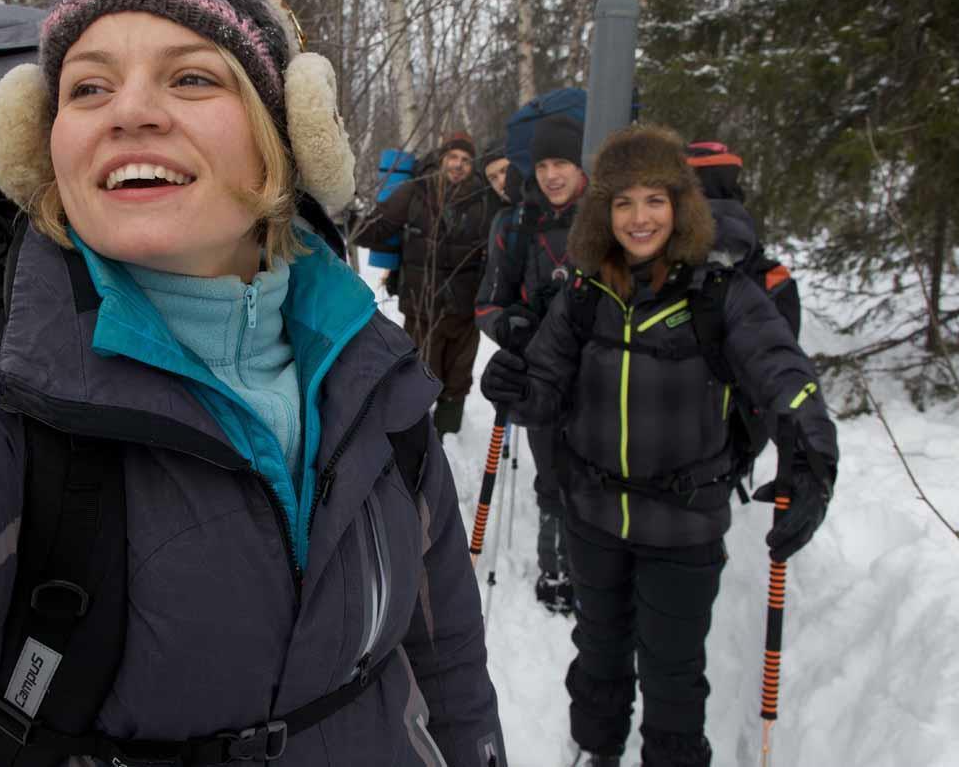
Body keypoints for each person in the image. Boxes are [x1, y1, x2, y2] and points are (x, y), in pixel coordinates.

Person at [0, 0, 507, 767]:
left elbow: (444, 649)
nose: (127, 112)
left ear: (284, 135)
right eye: (88, 88)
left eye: (191, 77)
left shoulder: (373, 375)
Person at [480, 124, 838, 767]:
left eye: (654, 200)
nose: (639, 218)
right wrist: (513, 384)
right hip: (594, 518)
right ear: (604, 212)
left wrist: (812, 454)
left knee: (673, 674)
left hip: (683, 526)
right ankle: (596, 751)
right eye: (623, 202)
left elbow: (785, 372)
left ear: (681, 206)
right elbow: (544, 388)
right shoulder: (584, 293)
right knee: (598, 655)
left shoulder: (721, 294)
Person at [474, 113, 587, 613]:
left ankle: (599, 572)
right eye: (542, 165)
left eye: (562, 162)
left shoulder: (610, 217)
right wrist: (508, 327)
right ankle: (555, 568)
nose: (552, 175)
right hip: (540, 375)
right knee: (553, 476)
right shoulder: (514, 224)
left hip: (604, 372)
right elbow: (486, 304)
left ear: (581, 164)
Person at [355, 131, 498, 438]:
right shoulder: (416, 191)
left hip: (465, 313)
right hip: (422, 310)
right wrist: (349, 220)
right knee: (416, 378)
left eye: (465, 160)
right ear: (442, 158)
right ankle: (413, 439)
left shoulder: (484, 200)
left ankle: (448, 438)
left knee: (458, 381)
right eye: (453, 157)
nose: (458, 165)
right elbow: (379, 227)